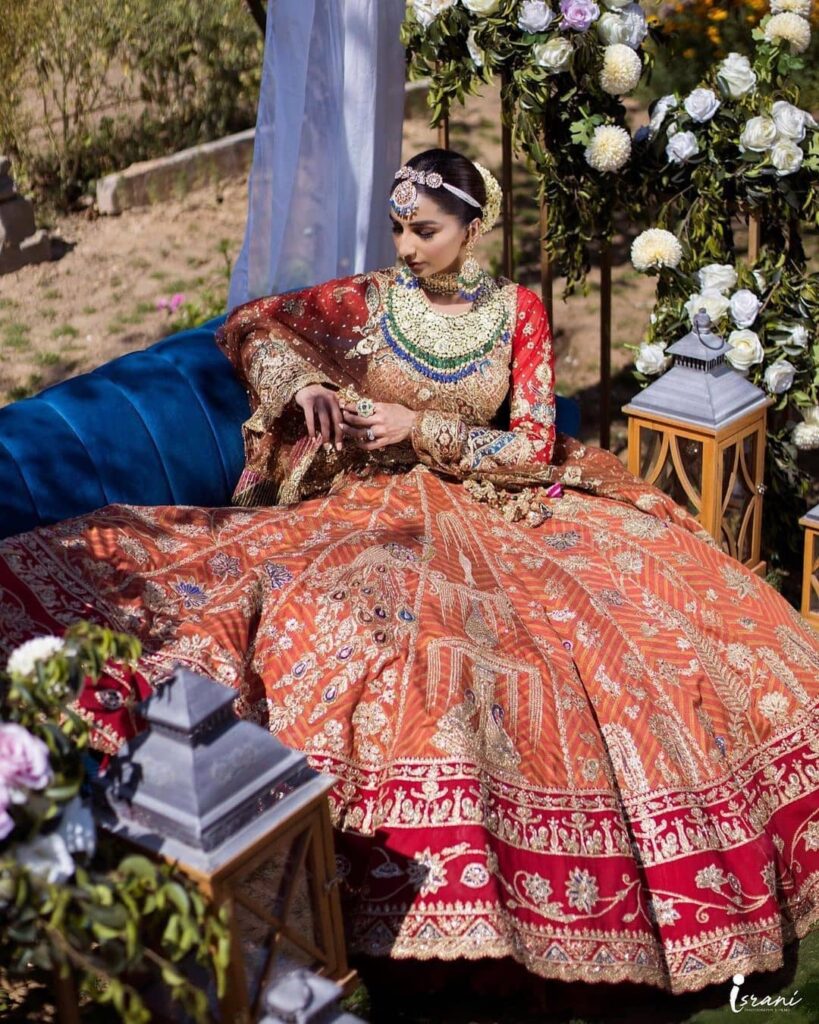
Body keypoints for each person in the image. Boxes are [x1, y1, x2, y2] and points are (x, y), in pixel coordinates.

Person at [0, 149, 817, 996]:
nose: (407, 245)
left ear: (472, 228)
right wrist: (307, 386)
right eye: (398, 227)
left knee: (599, 650)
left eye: (425, 231)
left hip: (488, 510)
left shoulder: (515, 314)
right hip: (361, 510)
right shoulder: (369, 300)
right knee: (303, 628)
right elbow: (251, 325)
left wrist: (418, 428)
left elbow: (532, 446)